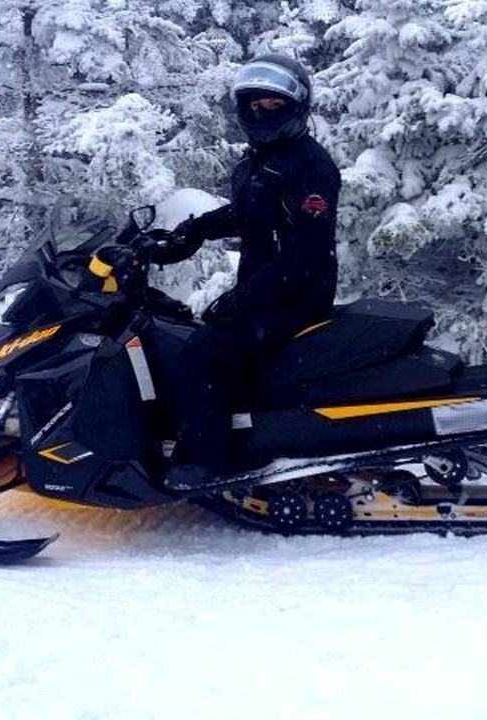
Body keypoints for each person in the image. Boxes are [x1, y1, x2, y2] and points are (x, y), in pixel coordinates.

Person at [158, 54, 341, 490]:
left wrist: (243, 299)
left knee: (202, 353)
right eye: (255, 104)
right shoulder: (261, 159)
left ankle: (208, 461)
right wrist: (196, 230)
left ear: (296, 107)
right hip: (268, 288)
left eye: (273, 104)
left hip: (297, 294)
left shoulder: (311, 166)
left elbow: (307, 251)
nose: (261, 112)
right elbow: (251, 213)